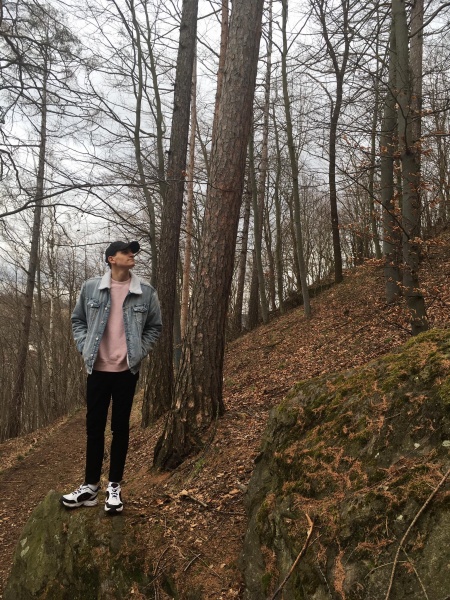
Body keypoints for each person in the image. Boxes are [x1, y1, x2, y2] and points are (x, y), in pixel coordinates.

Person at [60, 240, 162, 514]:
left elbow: (155, 327)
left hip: (126, 371)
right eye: (125, 252)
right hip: (97, 369)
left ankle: (114, 487)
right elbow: (77, 320)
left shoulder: (145, 292)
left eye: (132, 252)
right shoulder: (91, 287)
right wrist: (84, 346)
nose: (131, 255)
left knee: (120, 428)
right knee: (94, 428)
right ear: (111, 259)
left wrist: (138, 352)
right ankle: (90, 486)